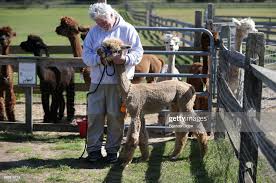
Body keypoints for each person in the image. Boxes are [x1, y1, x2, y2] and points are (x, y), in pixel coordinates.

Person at [82, 2, 143, 163]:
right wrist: (99, 59)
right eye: (98, 22)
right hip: (98, 82)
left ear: (112, 14)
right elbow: (85, 55)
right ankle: (94, 150)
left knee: (116, 116)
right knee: (95, 115)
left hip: (120, 83)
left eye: (103, 21)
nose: (101, 25)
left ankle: (112, 151)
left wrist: (124, 59)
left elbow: (138, 52)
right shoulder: (94, 32)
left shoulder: (127, 29)